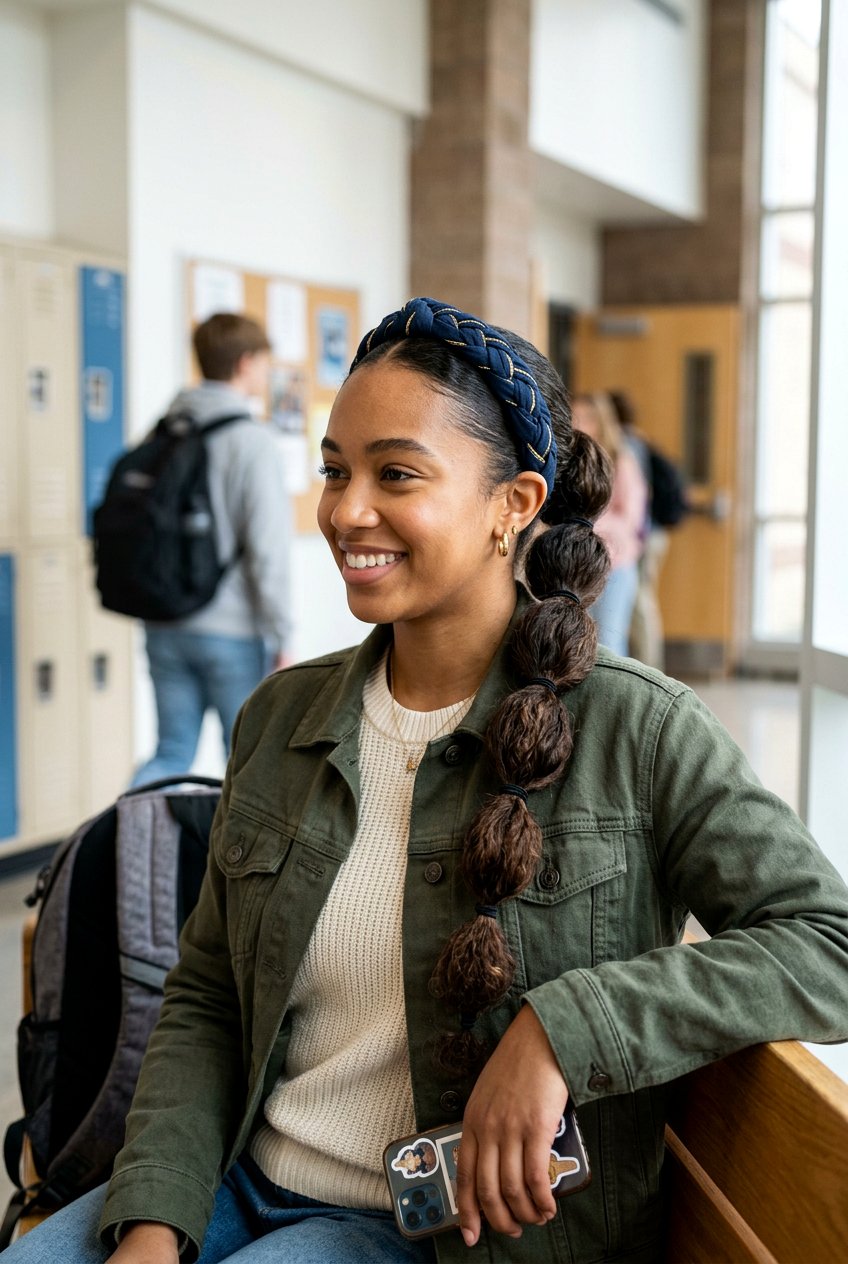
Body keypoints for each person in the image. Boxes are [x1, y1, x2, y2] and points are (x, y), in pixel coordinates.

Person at [7, 297, 847, 1264]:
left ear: (515, 506)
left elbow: (829, 940)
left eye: (395, 474)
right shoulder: (282, 720)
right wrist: (152, 1225)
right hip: (231, 1177)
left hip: (429, 1231)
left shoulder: (637, 728)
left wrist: (565, 1027)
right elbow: (206, 997)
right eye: (334, 470)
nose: (345, 511)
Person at [130, 313, 293, 787]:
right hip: (232, 631)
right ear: (245, 363)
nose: (266, 373)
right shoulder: (251, 441)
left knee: (169, 753)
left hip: (164, 622)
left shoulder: (162, 431)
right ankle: (229, 863)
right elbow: (267, 551)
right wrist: (282, 633)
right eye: (264, 362)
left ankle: (125, 852)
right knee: (245, 759)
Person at [570, 393, 647, 657]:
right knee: (580, 641)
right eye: (574, 417)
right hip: (576, 563)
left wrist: (585, 523)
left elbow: (629, 519)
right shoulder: (570, 464)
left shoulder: (621, 461)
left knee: (609, 642)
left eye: (587, 419)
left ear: (602, 422)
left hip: (615, 563)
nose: (579, 425)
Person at [608, 391, 671, 671]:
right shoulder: (637, 439)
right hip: (646, 533)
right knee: (638, 601)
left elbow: (636, 496)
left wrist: (633, 539)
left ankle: (648, 670)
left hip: (641, 535)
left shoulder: (625, 445)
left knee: (639, 601)